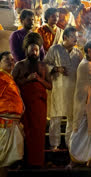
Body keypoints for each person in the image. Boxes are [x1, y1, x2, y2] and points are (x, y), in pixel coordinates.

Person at [12, 32, 52, 168]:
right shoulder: (19, 65)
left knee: (38, 134)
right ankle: (22, 161)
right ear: (26, 49)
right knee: (25, 133)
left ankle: (37, 162)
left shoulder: (43, 66)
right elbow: (12, 84)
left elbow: (50, 86)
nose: (34, 52)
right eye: (32, 49)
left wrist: (39, 79)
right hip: (24, 106)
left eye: (36, 49)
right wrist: (27, 80)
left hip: (39, 107)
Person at [44, 27, 83, 150]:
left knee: (72, 118)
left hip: (74, 91)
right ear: (65, 37)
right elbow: (45, 65)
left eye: (76, 36)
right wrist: (56, 69)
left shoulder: (78, 53)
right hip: (58, 89)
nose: (76, 39)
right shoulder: (54, 49)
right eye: (73, 36)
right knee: (56, 117)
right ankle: (54, 144)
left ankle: (70, 143)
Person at [0, 51, 24, 177]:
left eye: (12, 60)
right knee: (2, 155)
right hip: (3, 121)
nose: (11, 62)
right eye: (6, 60)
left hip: (12, 121)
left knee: (7, 156)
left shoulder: (8, 78)